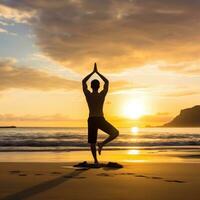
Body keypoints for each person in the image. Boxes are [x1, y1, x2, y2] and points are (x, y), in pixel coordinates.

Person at [82, 63, 119, 165]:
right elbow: (106, 82)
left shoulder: (88, 94)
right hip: (99, 119)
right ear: (99, 86)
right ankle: (102, 144)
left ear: (91, 86)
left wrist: (92, 73)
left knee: (92, 143)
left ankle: (96, 160)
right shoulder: (102, 94)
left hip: (92, 119)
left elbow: (83, 81)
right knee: (115, 133)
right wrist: (98, 73)